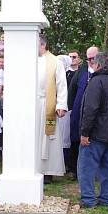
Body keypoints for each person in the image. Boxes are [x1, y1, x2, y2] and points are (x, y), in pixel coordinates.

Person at [77, 52, 108, 208]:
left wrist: (85, 133)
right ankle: (106, 198)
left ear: (98, 65)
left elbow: (90, 109)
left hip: (96, 133)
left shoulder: (96, 81)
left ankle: (88, 199)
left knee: (86, 167)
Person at [36, 36, 68, 183]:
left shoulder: (55, 62)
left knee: (48, 136)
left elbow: (61, 85)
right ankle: (33, 167)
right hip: (31, 107)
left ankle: (47, 171)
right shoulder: (29, 60)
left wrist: (61, 104)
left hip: (48, 105)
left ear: (42, 44)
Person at [67, 46, 99, 177]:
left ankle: (93, 170)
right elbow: (72, 90)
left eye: (93, 58)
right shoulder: (82, 72)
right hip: (78, 110)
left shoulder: (102, 72)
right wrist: (71, 108)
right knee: (76, 139)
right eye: (88, 58)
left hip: (94, 112)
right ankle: (75, 169)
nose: (91, 61)